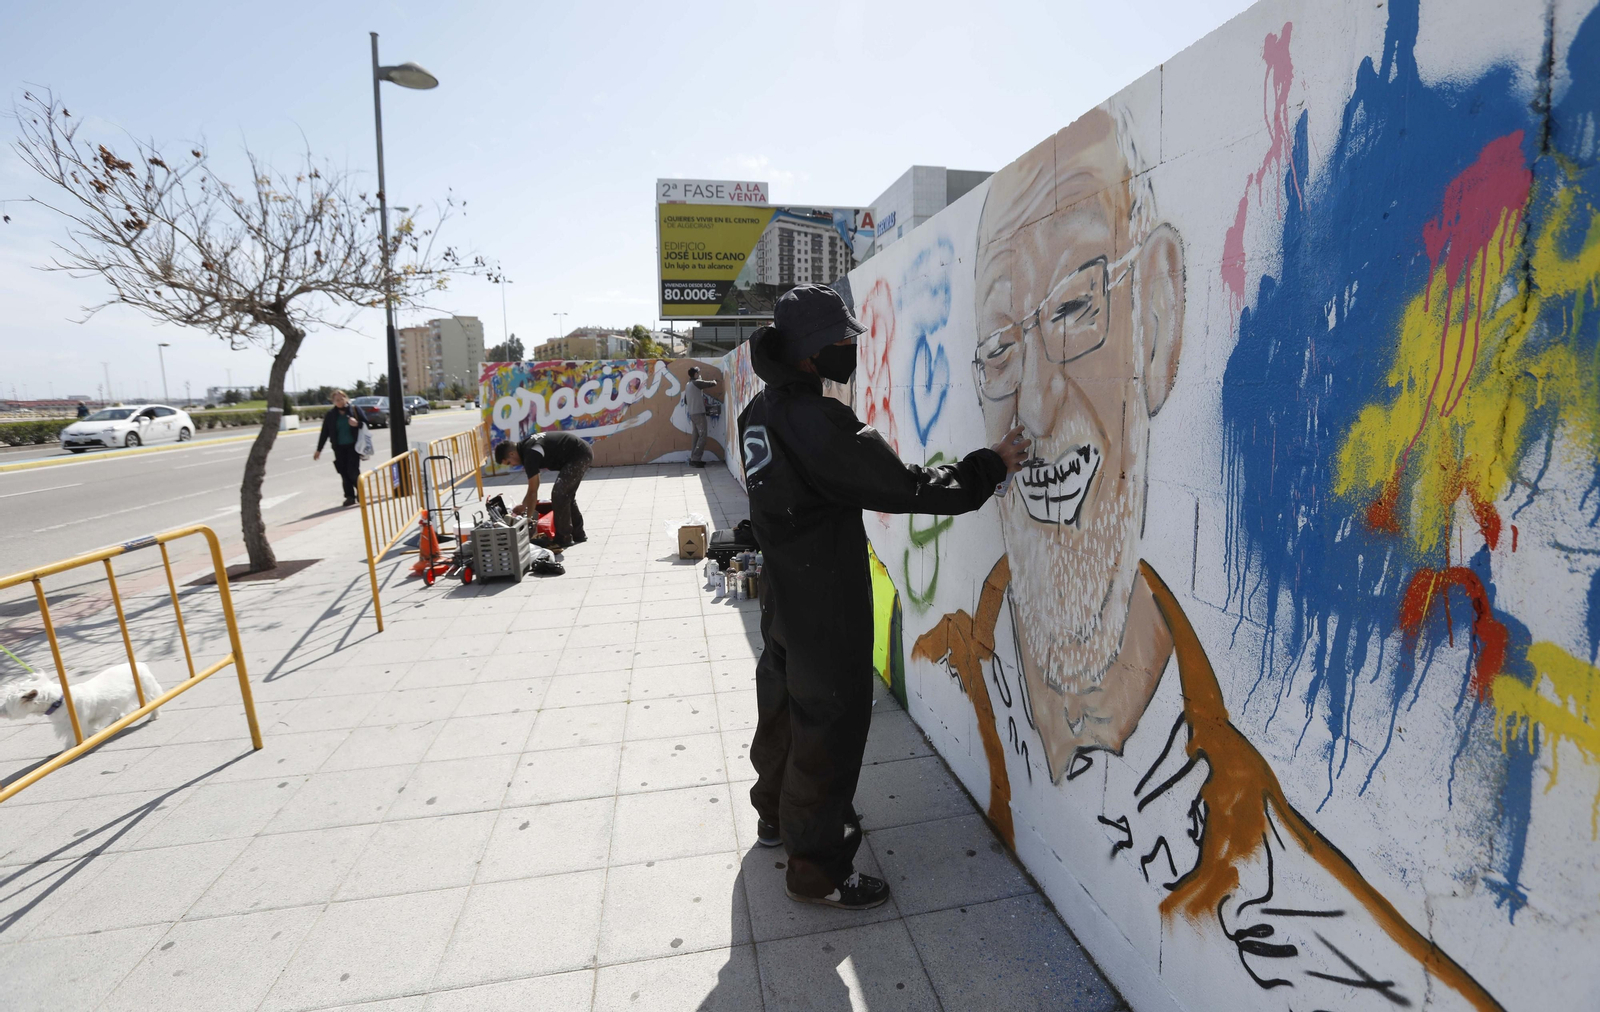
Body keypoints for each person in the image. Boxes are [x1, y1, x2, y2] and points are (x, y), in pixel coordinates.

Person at [739, 283, 1031, 911]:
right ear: (810, 352)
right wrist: (990, 465)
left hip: (785, 596)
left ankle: (774, 817)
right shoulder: (816, 422)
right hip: (826, 603)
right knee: (830, 727)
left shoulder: (758, 413)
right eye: (841, 341)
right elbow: (905, 486)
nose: (851, 349)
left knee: (784, 710)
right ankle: (816, 870)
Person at [494, 430, 593, 547]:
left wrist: (528, 519)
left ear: (511, 454)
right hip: (580, 452)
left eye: (509, 463)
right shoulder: (526, 447)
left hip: (579, 455)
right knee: (566, 496)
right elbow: (532, 489)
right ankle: (578, 534)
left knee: (559, 495)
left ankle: (563, 538)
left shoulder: (530, 453)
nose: (512, 465)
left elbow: (533, 491)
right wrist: (524, 505)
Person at [313, 389, 366, 507]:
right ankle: (349, 497)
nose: (340, 402)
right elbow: (324, 433)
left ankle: (361, 493)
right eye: (337, 400)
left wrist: (357, 424)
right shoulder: (331, 415)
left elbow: (366, 423)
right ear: (333, 401)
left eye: (342, 399)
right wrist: (319, 449)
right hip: (338, 448)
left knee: (353, 471)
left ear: (346, 398)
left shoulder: (355, 410)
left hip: (353, 446)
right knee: (343, 472)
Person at [682, 366, 720, 468]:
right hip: (699, 413)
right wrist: (715, 381)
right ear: (695, 374)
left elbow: (685, 401)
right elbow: (711, 384)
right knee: (703, 436)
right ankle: (696, 459)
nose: (699, 375)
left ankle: (694, 458)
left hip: (692, 413)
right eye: (698, 373)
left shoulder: (688, 384)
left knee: (696, 437)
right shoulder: (696, 382)